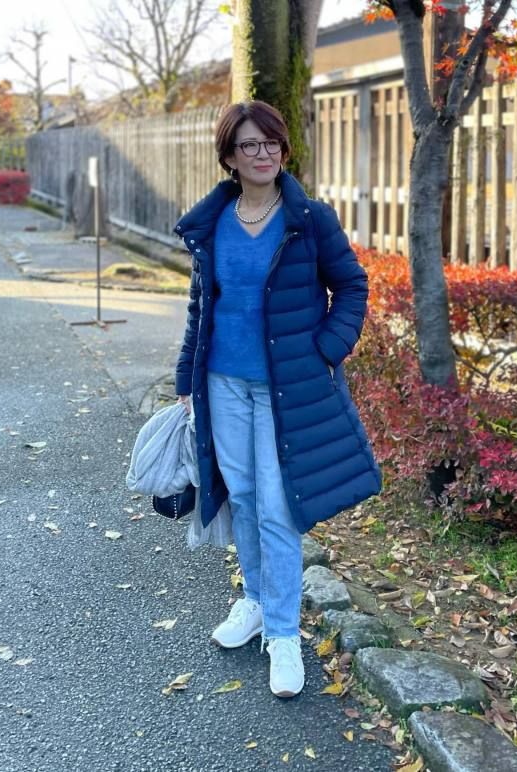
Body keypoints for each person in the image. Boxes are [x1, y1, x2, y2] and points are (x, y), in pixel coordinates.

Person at [174, 101, 381, 698]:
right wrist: (185, 375)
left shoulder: (309, 219)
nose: (262, 153)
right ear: (229, 156)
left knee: (277, 507)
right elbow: (202, 306)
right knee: (240, 497)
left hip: (285, 388)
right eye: (249, 145)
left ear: (283, 149)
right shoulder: (214, 223)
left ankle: (284, 634)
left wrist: (326, 349)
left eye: (270, 143)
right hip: (223, 383)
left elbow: (352, 286)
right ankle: (258, 601)